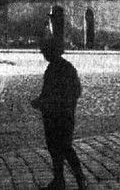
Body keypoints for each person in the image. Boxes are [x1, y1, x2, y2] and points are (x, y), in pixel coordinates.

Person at [30, 38, 87, 190]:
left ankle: (78, 178)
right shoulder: (61, 68)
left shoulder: (60, 69)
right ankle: (60, 180)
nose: (44, 55)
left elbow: (71, 91)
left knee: (64, 148)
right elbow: (48, 93)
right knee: (57, 148)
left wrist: (46, 102)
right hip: (58, 115)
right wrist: (40, 101)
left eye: (46, 52)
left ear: (52, 52)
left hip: (59, 115)